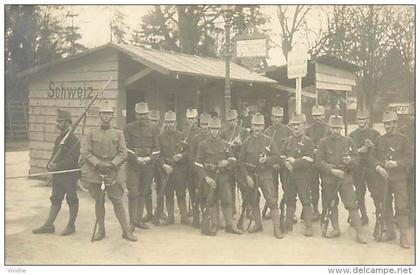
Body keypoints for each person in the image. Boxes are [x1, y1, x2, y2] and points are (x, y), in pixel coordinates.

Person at [81, 101, 136, 241]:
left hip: (113, 171)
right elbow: (86, 153)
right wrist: (97, 163)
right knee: (99, 202)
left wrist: (112, 164)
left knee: (117, 200)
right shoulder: (91, 133)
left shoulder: (118, 133)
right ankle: (101, 230)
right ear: (100, 115)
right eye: (103, 114)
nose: (106, 116)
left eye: (108, 114)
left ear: (112, 116)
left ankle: (126, 231)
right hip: (96, 171)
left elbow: (124, 153)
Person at [316, 115, 367, 244]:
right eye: (333, 128)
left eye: (338, 128)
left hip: (345, 177)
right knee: (331, 204)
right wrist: (332, 170)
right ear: (329, 127)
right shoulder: (323, 142)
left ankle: (359, 233)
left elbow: (357, 160)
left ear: (341, 128)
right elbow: (318, 161)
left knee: (352, 204)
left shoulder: (348, 141)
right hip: (329, 178)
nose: (335, 131)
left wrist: (350, 161)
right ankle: (335, 229)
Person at [33, 110, 80, 236]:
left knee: (72, 199)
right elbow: (54, 154)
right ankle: (48, 225)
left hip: (69, 174)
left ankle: (71, 225)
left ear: (67, 122)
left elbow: (71, 160)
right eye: (57, 121)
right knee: (55, 199)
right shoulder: (59, 138)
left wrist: (56, 166)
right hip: (58, 174)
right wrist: (49, 165)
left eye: (60, 121)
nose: (57, 123)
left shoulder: (75, 140)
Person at [238, 113, 283, 239]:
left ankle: (277, 228)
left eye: (259, 126)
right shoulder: (246, 142)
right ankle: (258, 224)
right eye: (254, 125)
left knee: (272, 199)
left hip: (265, 173)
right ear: (251, 126)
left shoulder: (269, 141)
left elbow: (278, 158)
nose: (257, 129)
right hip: (251, 174)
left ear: (263, 126)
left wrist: (267, 160)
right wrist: (247, 177)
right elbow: (240, 162)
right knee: (253, 200)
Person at [195, 117, 243, 235]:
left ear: (220, 130)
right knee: (212, 201)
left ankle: (229, 225)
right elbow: (197, 164)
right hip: (210, 177)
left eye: (216, 129)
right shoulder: (203, 145)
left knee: (227, 200)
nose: (214, 131)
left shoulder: (225, 144)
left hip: (223, 177)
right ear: (209, 129)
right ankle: (214, 225)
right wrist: (206, 178)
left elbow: (233, 159)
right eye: (212, 129)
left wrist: (226, 162)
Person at [373, 110, 411, 249]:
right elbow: (373, 157)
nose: (387, 126)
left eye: (390, 124)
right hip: (384, 178)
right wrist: (378, 167)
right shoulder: (380, 140)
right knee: (386, 205)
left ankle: (404, 237)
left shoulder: (404, 139)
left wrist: (396, 163)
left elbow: (411, 159)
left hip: (399, 178)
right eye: (385, 124)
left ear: (396, 123)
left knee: (401, 207)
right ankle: (390, 232)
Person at [124, 102, 160, 231]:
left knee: (143, 192)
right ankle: (131, 222)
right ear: (136, 115)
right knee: (133, 193)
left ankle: (138, 220)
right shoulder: (128, 128)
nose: (143, 117)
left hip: (148, 165)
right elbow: (126, 147)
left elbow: (157, 149)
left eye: (145, 114)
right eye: (140, 115)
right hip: (133, 165)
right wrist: (136, 158)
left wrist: (149, 158)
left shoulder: (154, 129)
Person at [280, 113, 315, 236]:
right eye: (294, 125)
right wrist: (286, 163)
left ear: (304, 125)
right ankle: (288, 223)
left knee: (305, 200)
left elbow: (310, 160)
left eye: (298, 125)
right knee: (289, 199)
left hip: (303, 176)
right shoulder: (287, 141)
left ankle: (309, 226)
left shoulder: (308, 142)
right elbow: (282, 155)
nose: (295, 128)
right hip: (289, 175)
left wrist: (295, 162)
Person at [156, 111, 191, 225]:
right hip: (166, 170)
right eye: (168, 122)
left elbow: (187, 152)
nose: (170, 125)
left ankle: (184, 217)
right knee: (168, 194)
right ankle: (170, 217)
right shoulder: (160, 137)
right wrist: (164, 165)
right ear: (165, 123)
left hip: (179, 170)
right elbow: (157, 154)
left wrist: (181, 156)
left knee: (181, 193)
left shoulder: (181, 136)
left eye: (172, 122)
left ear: (175, 123)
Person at [349, 110, 381, 226]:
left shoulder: (375, 133)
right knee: (359, 194)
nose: (361, 122)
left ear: (368, 120)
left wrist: (372, 147)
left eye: (364, 119)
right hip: (358, 169)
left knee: (376, 193)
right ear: (356, 121)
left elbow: (380, 151)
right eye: (359, 119)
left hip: (371, 169)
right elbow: (348, 152)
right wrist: (359, 150)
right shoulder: (352, 135)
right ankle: (363, 216)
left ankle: (379, 216)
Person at [263, 106, 291, 220]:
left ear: (282, 118)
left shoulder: (288, 130)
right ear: (271, 118)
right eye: (275, 117)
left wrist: (285, 161)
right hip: (272, 165)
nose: (277, 120)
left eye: (279, 117)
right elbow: (264, 149)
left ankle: (289, 211)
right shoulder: (267, 131)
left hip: (284, 164)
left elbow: (290, 147)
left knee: (288, 187)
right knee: (272, 188)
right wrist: (271, 163)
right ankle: (273, 209)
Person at [221, 109, 250, 217]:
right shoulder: (223, 133)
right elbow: (221, 146)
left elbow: (248, 147)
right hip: (229, 163)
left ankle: (247, 208)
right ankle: (232, 209)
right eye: (229, 120)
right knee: (230, 187)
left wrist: (241, 143)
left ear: (237, 120)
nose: (231, 122)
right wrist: (229, 144)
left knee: (243, 186)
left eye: (233, 120)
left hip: (240, 163)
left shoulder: (243, 131)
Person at [305, 105, 330, 221]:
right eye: (315, 116)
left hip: (325, 162)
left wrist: (321, 151)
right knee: (313, 187)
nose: (317, 118)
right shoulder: (308, 130)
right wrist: (312, 151)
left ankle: (326, 210)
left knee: (326, 186)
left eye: (319, 116)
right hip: (313, 163)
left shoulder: (329, 129)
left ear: (324, 116)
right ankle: (315, 210)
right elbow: (304, 144)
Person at [182, 108, 203, 227]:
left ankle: (200, 213)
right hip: (187, 166)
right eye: (189, 119)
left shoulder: (201, 132)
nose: (192, 121)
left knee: (199, 190)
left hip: (198, 166)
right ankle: (193, 212)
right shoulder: (183, 133)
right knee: (190, 189)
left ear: (197, 118)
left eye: (193, 118)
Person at [398, 103, 415, 227]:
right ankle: (408, 217)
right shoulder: (403, 131)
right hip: (408, 168)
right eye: (411, 115)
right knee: (407, 193)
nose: (413, 117)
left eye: (414, 114)